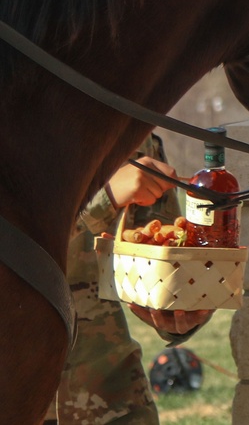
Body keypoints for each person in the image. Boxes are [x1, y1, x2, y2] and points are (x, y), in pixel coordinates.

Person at [45, 134, 214, 424]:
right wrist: (103, 200)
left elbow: (159, 252)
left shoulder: (129, 126)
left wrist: (179, 310)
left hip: (111, 400)